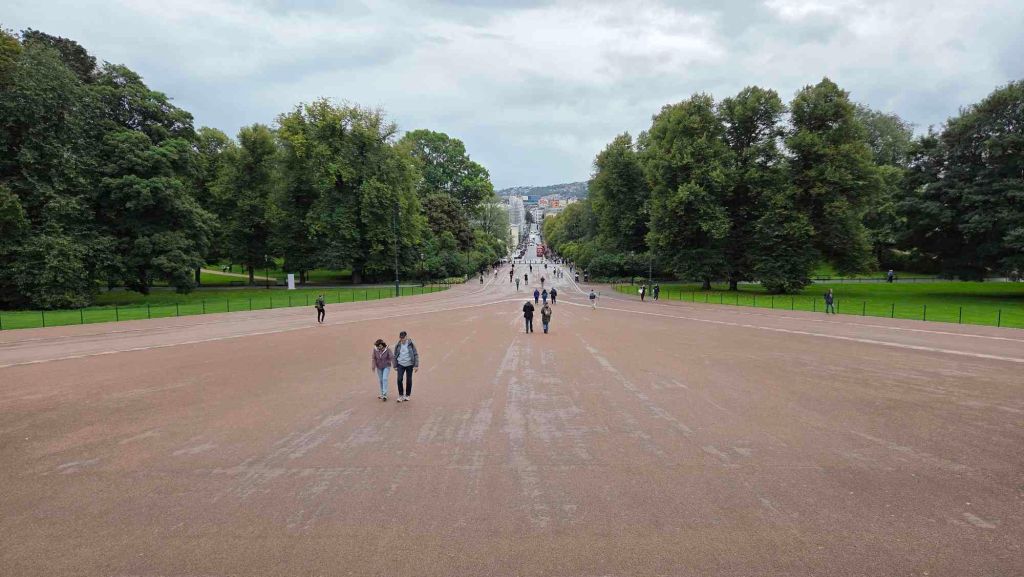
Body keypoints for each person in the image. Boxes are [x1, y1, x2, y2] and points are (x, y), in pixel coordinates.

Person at [393, 331, 419, 402]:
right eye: (401, 339)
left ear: (406, 337)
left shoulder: (411, 344)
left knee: (409, 380)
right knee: (399, 379)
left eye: (404, 339)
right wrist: (395, 365)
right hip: (400, 364)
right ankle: (401, 395)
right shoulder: (398, 345)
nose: (402, 340)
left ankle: (407, 395)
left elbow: (416, 354)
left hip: (409, 365)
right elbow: (395, 355)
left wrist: (416, 365)